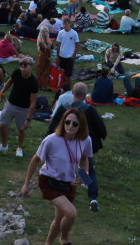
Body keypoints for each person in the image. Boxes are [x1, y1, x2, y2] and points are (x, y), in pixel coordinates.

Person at [21, 107, 91, 245]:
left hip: (68, 184)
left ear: (81, 126)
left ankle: (48, 243)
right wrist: (26, 184)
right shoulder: (51, 140)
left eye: (75, 124)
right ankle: (64, 239)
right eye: (67, 122)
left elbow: (84, 158)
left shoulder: (85, 140)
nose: (70, 126)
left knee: (60, 219)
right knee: (71, 214)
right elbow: (35, 160)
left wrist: (85, 175)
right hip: (49, 181)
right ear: (63, 122)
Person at [47, 81, 108, 212]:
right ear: (85, 95)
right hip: (83, 146)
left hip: (65, 146)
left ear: (73, 92)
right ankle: (92, 197)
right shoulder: (90, 110)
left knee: (65, 168)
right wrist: (102, 135)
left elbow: (52, 127)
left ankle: (59, 194)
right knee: (88, 169)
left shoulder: (64, 108)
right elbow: (101, 127)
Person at [0, 57, 39, 157]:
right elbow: (9, 81)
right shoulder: (16, 73)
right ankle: (4, 145)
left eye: (25, 66)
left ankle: (19, 148)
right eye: (21, 66)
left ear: (31, 67)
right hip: (11, 104)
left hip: (24, 108)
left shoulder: (33, 82)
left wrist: (28, 119)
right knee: (2, 125)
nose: (23, 69)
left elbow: (33, 103)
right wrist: (2, 91)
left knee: (21, 129)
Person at [55, 19, 80, 91]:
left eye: (66, 24)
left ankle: (69, 89)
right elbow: (58, 45)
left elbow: (77, 46)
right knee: (62, 74)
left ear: (69, 24)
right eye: (63, 24)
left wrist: (73, 56)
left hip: (69, 57)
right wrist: (57, 57)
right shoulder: (60, 32)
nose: (64, 25)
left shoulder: (74, 33)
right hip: (61, 56)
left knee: (68, 75)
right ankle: (63, 88)